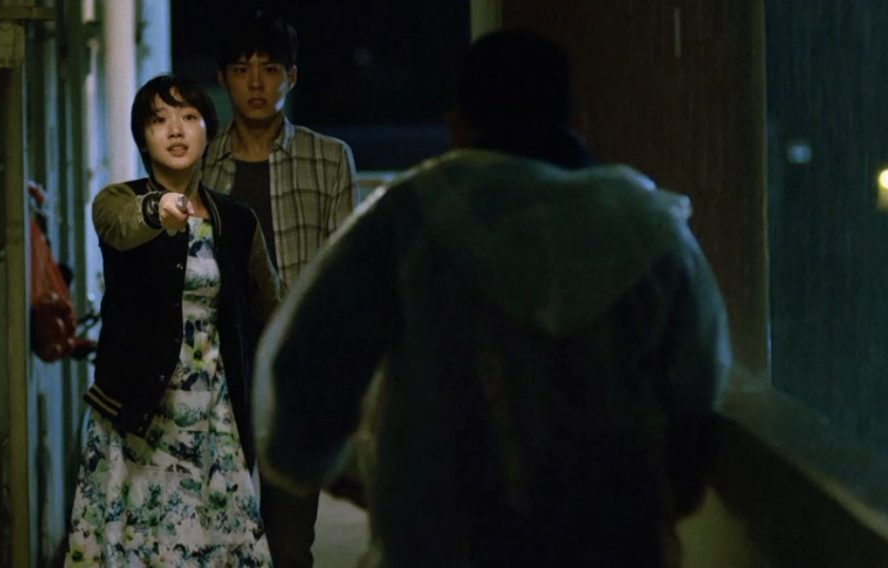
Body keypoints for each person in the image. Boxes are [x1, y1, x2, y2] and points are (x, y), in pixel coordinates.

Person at [253, 29, 731, 567]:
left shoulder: (408, 220)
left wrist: (358, 472)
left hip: (440, 546)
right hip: (613, 548)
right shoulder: (651, 233)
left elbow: (300, 392)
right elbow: (693, 409)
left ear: (458, 124)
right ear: (578, 123)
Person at [65, 74, 280, 566]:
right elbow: (123, 228)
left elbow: (269, 308)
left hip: (214, 412)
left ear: (209, 131)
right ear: (144, 139)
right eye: (159, 120)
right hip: (137, 414)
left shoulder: (236, 220)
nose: (176, 130)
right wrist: (159, 210)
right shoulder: (116, 201)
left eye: (189, 117)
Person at [202, 10, 359, 567]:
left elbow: (343, 272)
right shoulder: (201, 164)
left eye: (269, 69)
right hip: (216, 375)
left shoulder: (328, 157)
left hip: (295, 373)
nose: (255, 83)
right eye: (241, 69)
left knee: (290, 544)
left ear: (291, 77)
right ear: (222, 78)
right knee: (218, 539)